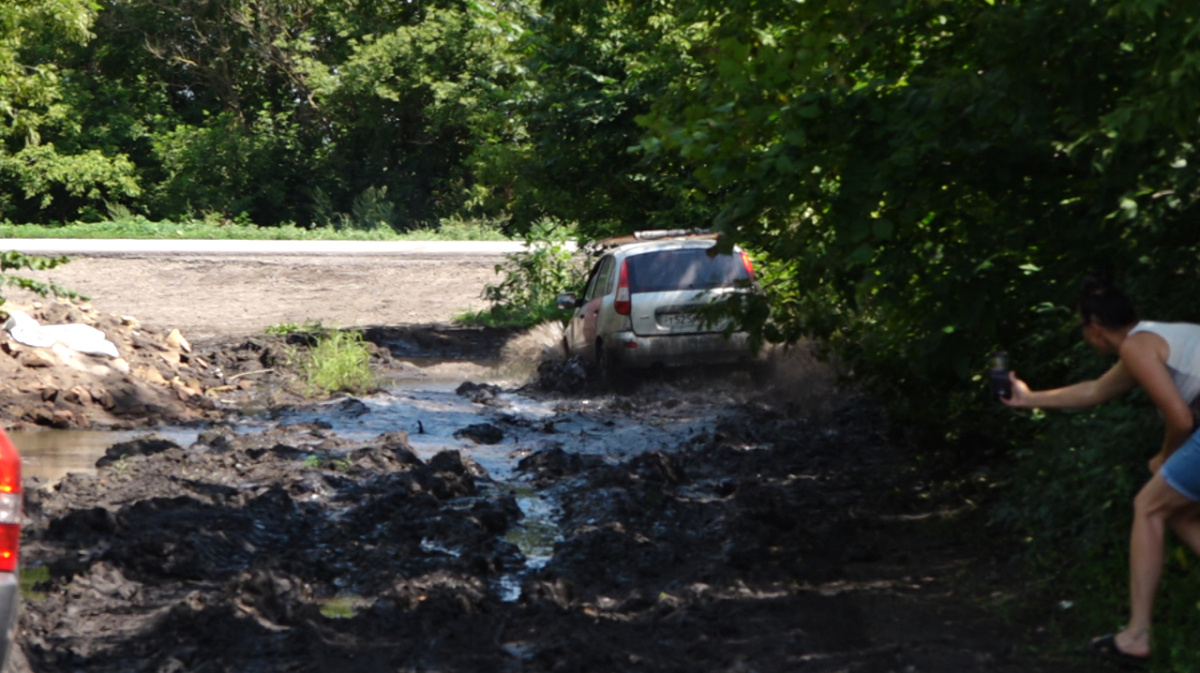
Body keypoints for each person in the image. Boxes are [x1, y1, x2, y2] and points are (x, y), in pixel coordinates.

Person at [1001, 274, 1200, 666]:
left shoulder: (1139, 347)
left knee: (1149, 506)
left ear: (1093, 326)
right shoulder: (1151, 339)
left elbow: (1179, 419)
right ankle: (1137, 631)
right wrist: (1028, 399)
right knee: (1175, 510)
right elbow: (1096, 390)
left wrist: (1165, 459)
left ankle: (1137, 634)